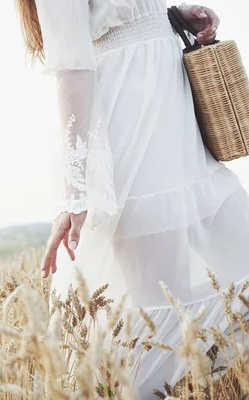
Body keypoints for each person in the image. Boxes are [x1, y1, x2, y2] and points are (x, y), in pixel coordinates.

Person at [14, 0, 249, 396]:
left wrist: (172, 13)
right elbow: (72, 66)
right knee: (159, 303)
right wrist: (75, 190)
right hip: (131, 128)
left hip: (175, 111)